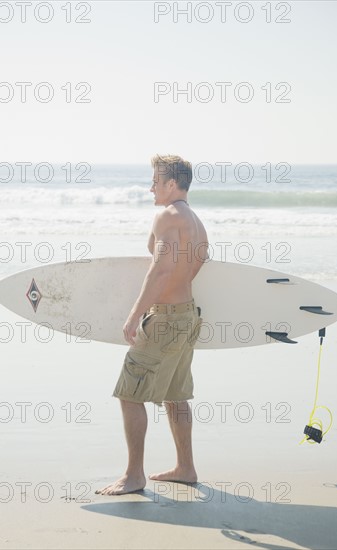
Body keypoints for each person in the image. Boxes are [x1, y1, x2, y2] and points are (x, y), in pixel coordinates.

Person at [96, 154, 209, 496]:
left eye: (156, 182)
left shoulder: (167, 216)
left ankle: (134, 475)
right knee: (175, 395)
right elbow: (201, 258)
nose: (151, 188)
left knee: (130, 394)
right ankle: (185, 468)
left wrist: (135, 314)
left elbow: (161, 268)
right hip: (187, 314)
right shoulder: (195, 220)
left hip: (166, 318)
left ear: (172, 184)